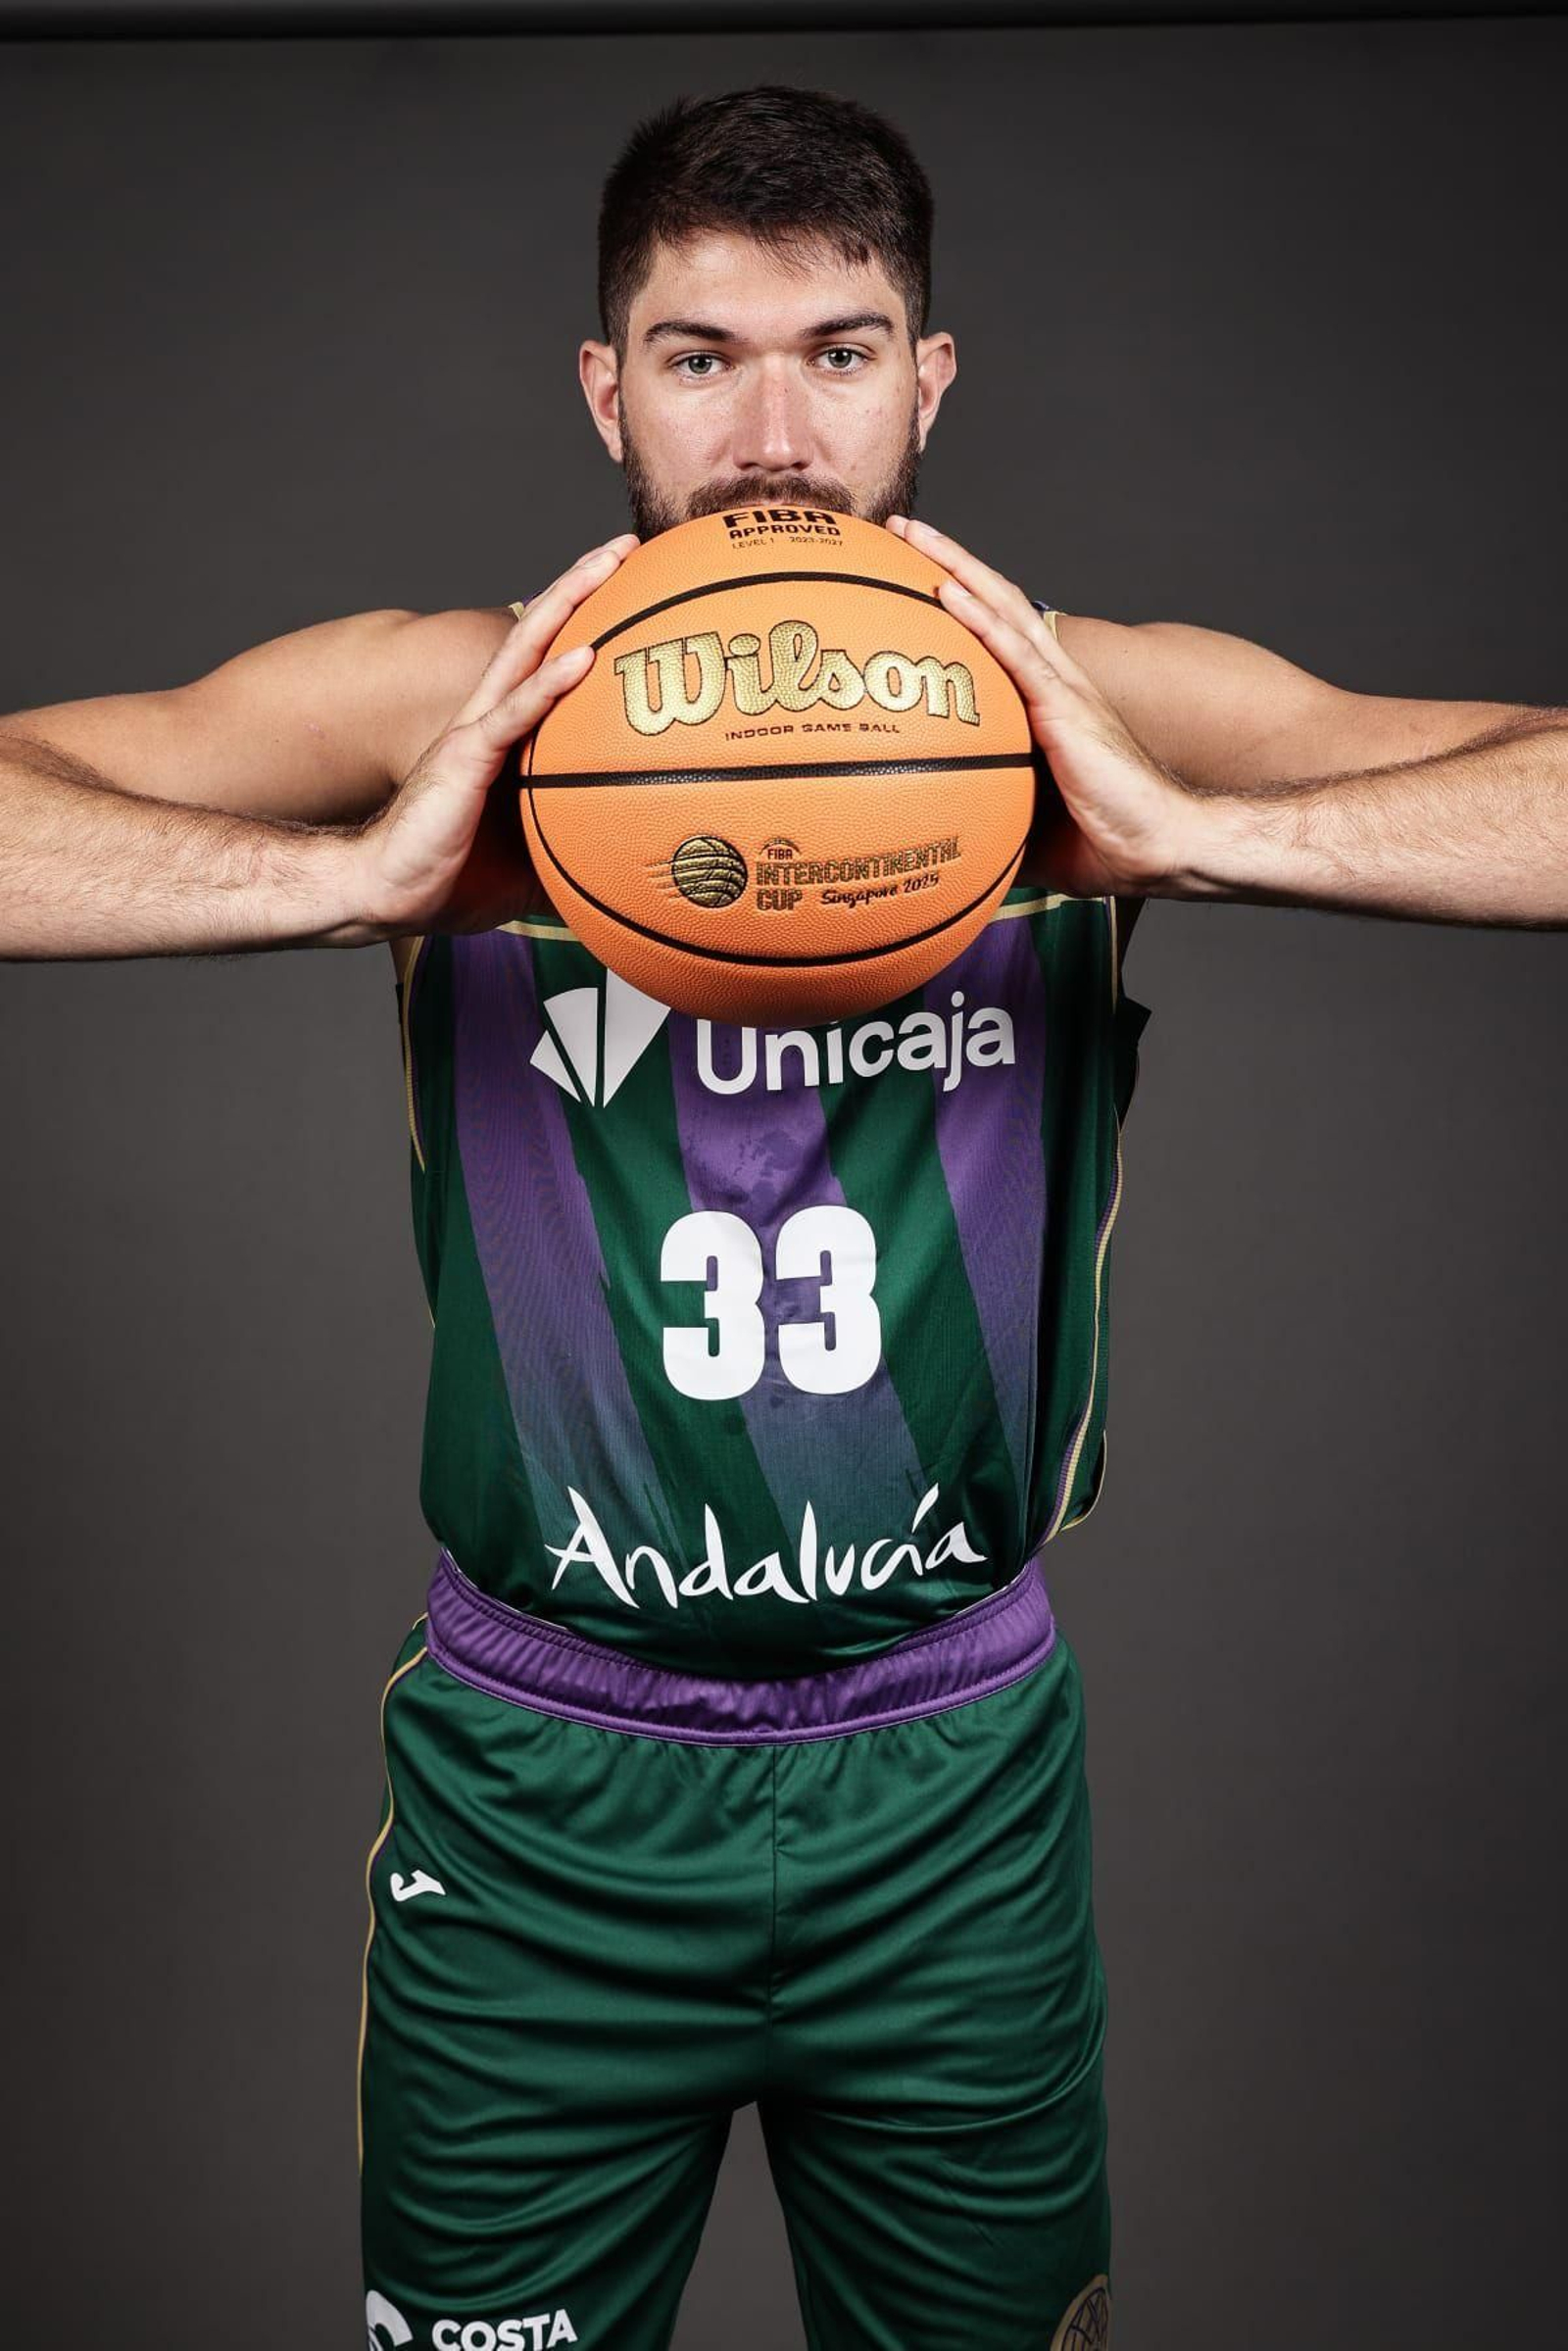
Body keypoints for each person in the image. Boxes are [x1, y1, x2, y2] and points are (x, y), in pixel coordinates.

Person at [2, 81, 1561, 2351]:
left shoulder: (1066, 710)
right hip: (544, 1789)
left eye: (836, 351)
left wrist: (1199, 837)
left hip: (949, 1785)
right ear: (602, 389)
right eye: (698, 354)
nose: (768, 430)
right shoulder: (466, 703)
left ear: (924, 384)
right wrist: (344, 881)